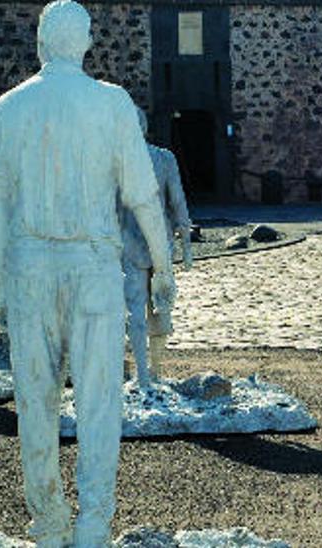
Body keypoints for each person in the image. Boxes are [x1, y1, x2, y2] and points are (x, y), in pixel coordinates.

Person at [0, 2, 176, 546]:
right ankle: (92, 521)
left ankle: (48, 520)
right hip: (92, 267)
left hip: (28, 269)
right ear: (86, 43)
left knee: (35, 401)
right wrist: (161, 263)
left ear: (41, 42)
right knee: (98, 401)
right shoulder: (111, 104)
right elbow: (141, 193)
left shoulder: (8, 109)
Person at [121, 106, 193, 389]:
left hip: (128, 242)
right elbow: (178, 203)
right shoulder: (164, 158)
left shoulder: (116, 163)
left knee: (136, 308)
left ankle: (143, 375)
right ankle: (154, 370)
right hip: (159, 242)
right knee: (161, 307)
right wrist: (186, 244)